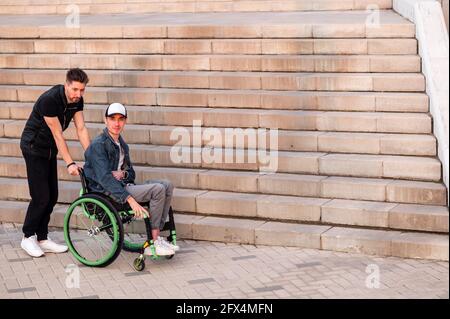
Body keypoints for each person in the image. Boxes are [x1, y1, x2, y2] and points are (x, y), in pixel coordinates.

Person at [83, 102, 179, 256]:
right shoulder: (98, 145)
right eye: (112, 118)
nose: (116, 123)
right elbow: (105, 179)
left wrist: (123, 174)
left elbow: (131, 173)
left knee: (167, 185)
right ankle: (153, 241)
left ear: (125, 121)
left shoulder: (122, 145)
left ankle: (157, 236)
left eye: (121, 119)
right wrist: (130, 200)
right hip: (108, 193)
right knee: (158, 190)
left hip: (123, 185)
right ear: (105, 120)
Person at [20, 68, 91, 258]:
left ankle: (42, 238)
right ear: (67, 85)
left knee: (52, 196)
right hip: (34, 147)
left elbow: (81, 128)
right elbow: (58, 135)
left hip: (49, 149)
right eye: (75, 89)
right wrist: (70, 163)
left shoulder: (77, 102)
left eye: (82, 90)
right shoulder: (50, 100)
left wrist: (92, 157)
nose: (78, 94)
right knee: (41, 196)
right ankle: (28, 236)